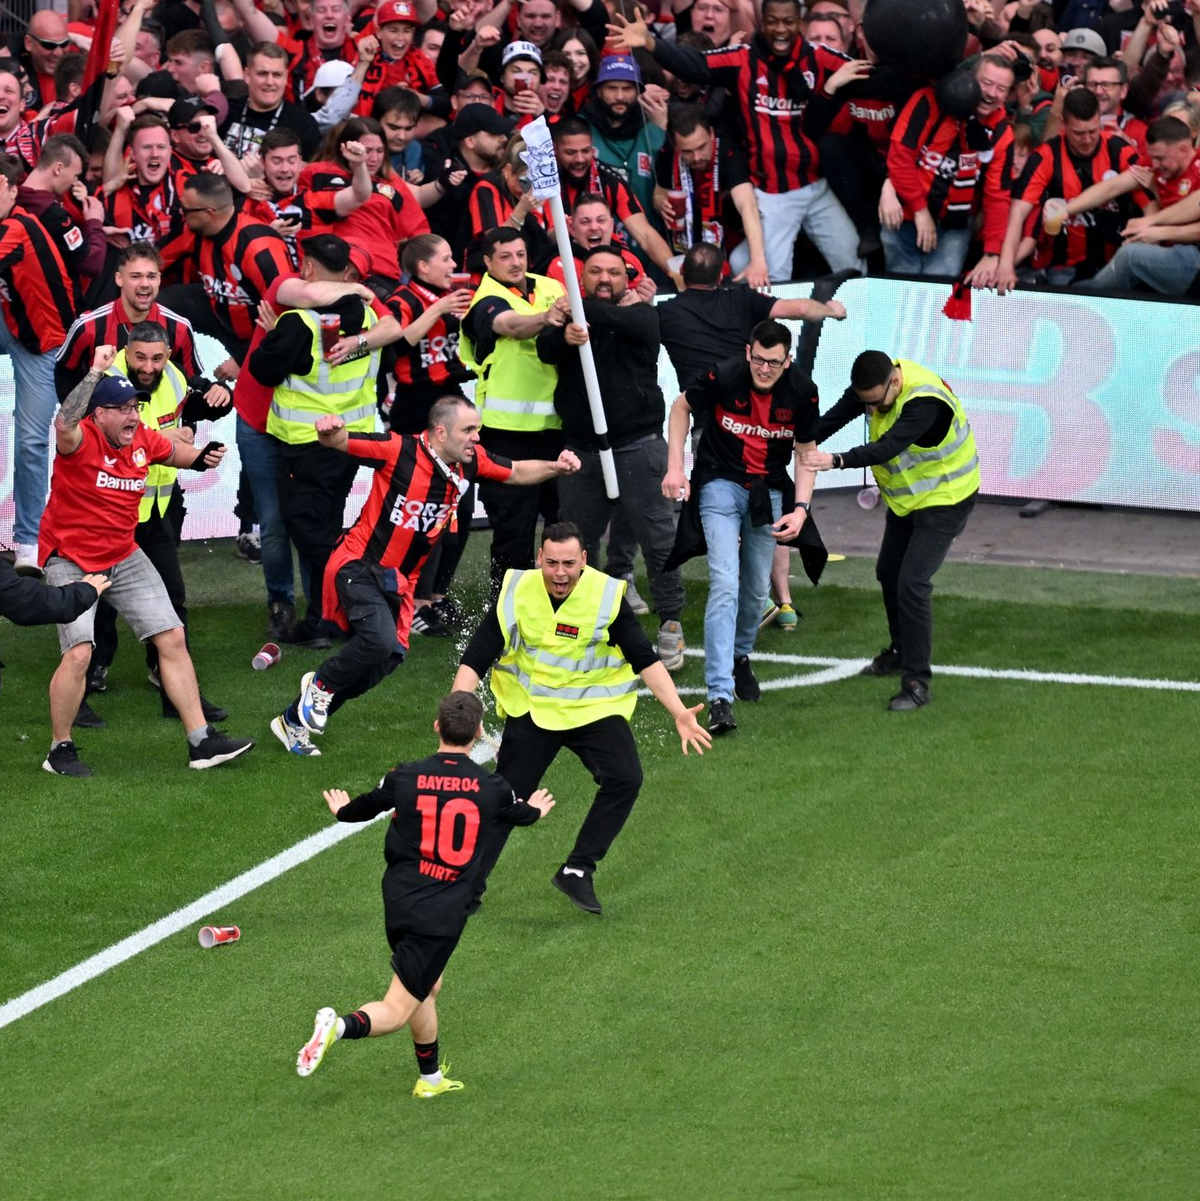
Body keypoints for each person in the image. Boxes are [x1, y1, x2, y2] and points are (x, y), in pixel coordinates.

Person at [271, 397, 581, 756]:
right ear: (440, 432)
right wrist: (329, 432)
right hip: (359, 563)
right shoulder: (397, 449)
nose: (476, 438)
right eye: (468, 430)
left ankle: (295, 720)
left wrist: (556, 467)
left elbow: (515, 472)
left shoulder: (469, 463)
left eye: (477, 429)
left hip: (401, 582)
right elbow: (339, 442)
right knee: (378, 642)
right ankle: (319, 685)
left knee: (382, 663)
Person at [295, 690, 555, 1092]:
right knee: (397, 1010)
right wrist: (537, 808)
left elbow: (364, 808)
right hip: (441, 913)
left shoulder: (404, 775)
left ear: (438, 727)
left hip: (399, 899)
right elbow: (521, 816)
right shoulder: (492, 787)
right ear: (477, 732)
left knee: (426, 986)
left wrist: (341, 810)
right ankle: (338, 1027)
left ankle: (429, 1078)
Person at [451, 521, 712, 916]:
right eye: (552, 562)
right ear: (539, 558)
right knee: (506, 799)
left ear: (584, 561)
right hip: (534, 710)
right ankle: (465, 891)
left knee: (625, 778)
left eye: (569, 564)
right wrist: (459, 712)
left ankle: (577, 868)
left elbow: (645, 658)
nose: (560, 573)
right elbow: (478, 653)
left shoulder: (606, 596)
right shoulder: (517, 590)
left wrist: (679, 713)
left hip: (592, 711)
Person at [38, 349, 255, 776]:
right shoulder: (78, 438)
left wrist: (202, 456)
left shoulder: (141, 439)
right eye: (120, 409)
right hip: (70, 560)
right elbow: (63, 422)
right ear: (98, 415)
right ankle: (59, 750)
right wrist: (97, 370)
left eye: (134, 406)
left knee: (172, 637)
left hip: (123, 555)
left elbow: (173, 454)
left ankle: (201, 742)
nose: (132, 416)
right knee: (80, 653)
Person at [610, 0, 866, 282]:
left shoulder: (820, 57)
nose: (780, 29)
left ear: (800, 24)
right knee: (772, 277)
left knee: (851, 261)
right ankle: (775, 327)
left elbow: (870, 76)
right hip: (773, 194)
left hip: (817, 186)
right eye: (773, 21)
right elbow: (697, 64)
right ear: (763, 21)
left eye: (788, 21)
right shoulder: (742, 58)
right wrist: (650, 43)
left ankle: (860, 322)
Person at [662, 319, 819, 735]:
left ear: (788, 362)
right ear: (748, 352)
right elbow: (681, 407)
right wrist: (676, 467)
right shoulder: (724, 374)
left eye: (775, 362)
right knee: (725, 583)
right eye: (759, 359)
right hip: (718, 483)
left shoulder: (802, 391)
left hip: (767, 491)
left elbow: (806, 453)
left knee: (754, 592)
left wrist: (801, 508)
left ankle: (740, 655)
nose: (765, 369)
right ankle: (719, 695)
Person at [800, 350, 981, 711]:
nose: (873, 411)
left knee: (913, 583)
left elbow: (887, 447)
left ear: (894, 382)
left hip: (946, 499)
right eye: (866, 404)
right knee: (888, 572)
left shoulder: (925, 404)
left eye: (876, 404)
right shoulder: (876, 383)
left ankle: (917, 682)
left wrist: (835, 461)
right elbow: (833, 419)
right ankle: (900, 650)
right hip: (908, 501)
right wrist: (792, 439)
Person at [536, 244, 687, 671]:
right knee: (576, 544)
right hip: (582, 450)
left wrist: (575, 309)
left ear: (629, 279)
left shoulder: (641, 313)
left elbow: (624, 320)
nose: (605, 279)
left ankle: (671, 622)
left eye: (614, 273)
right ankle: (582, 623)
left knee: (660, 541)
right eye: (595, 272)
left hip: (637, 447)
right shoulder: (569, 319)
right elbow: (546, 349)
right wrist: (563, 332)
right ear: (582, 278)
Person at [249, 234, 384, 646]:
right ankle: (330, 617)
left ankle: (337, 617)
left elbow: (263, 370)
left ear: (306, 270)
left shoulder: (298, 321)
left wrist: (275, 334)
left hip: (307, 444)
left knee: (311, 532)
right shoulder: (369, 317)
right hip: (349, 441)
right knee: (324, 526)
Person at [457, 225, 571, 595]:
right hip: (507, 436)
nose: (516, 262)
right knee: (514, 532)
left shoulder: (551, 286)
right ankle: (505, 609)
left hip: (557, 428)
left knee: (564, 527)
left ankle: (564, 603)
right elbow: (509, 325)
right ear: (488, 262)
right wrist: (545, 318)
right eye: (505, 256)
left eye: (520, 254)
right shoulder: (485, 299)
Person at [0, 153, 77, 576]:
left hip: (43, 345)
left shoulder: (19, 227)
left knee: (31, 440)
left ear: (13, 190)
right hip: (11, 322)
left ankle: (28, 540)